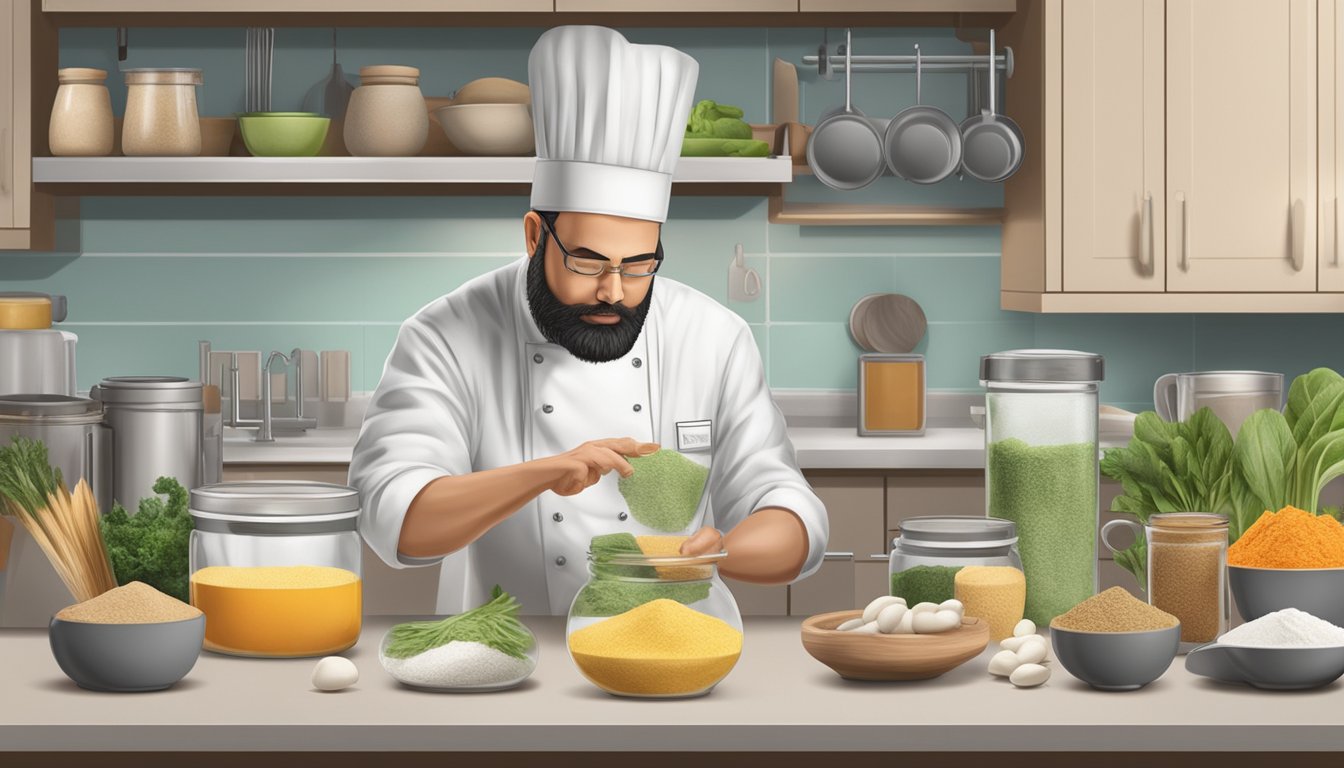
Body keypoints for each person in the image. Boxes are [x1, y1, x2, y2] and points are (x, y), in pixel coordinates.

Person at [350, 25, 828, 615]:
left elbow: (786, 506)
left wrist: (719, 552)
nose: (614, 290)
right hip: (511, 657)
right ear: (534, 236)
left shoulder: (712, 336)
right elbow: (393, 518)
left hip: (681, 650)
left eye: (639, 265)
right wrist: (545, 472)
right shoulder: (446, 334)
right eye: (587, 261)